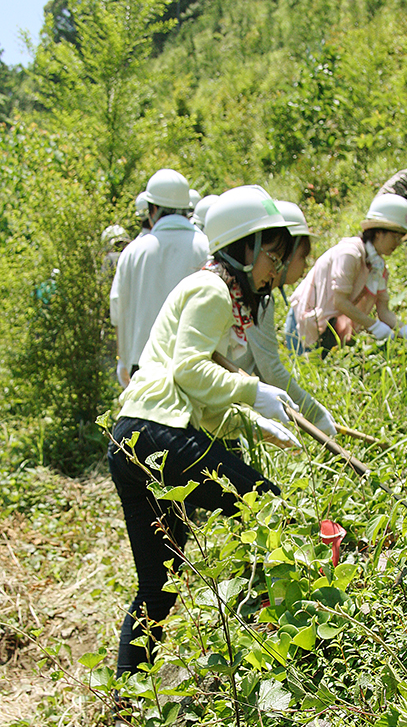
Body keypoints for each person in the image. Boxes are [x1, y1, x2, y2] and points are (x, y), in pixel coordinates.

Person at [107, 185, 298, 679]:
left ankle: (130, 702)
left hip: (133, 439)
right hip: (156, 432)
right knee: (265, 504)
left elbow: (202, 403)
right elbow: (190, 374)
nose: (274, 271)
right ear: (245, 249)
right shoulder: (212, 289)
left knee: (159, 589)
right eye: (272, 257)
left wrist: (255, 422)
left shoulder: (221, 296)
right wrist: (252, 391)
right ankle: (278, 637)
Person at [233, 200, 336, 436]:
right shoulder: (254, 297)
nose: (306, 264)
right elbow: (270, 368)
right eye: (303, 256)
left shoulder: (261, 296)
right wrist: (313, 413)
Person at [286, 193, 407, 355]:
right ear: (379, 232)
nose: (398, 243)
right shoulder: (350, 254)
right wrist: (373, 325)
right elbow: (340, 302)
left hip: (329, 331)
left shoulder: (378, 267)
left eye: (400, 238)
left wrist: (403, 329)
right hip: (304, 325)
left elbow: (383, 310)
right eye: (395, 237)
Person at [110, 169, 209, 389]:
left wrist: (123, 361)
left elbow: (118, 310)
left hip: (143, 366)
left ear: (152, 209)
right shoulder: (205, 247)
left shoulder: (133, 252)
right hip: (195, 368)